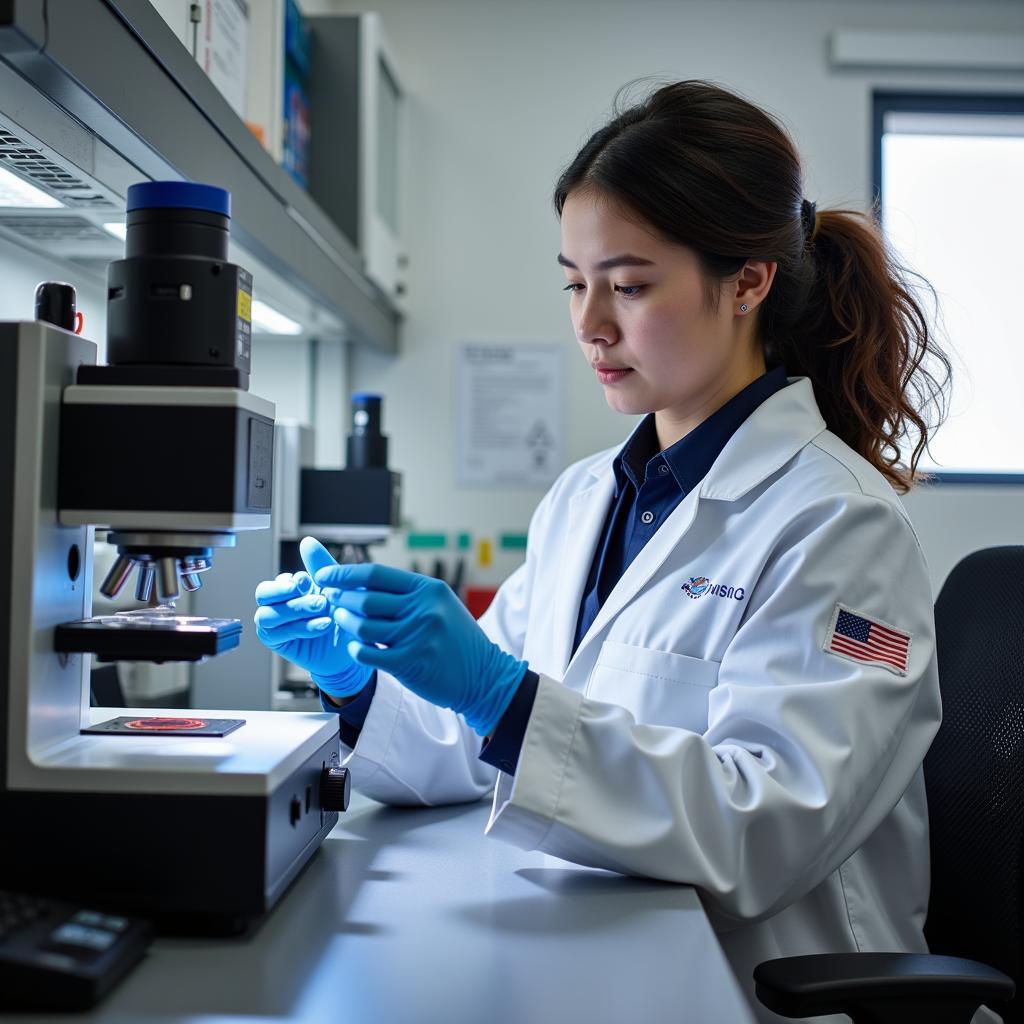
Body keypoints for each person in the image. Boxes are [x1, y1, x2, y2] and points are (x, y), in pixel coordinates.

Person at [254, 81, 953, 1022]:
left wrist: (501, 696)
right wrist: (360, 683)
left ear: (748, 281)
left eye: (628, 286)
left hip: (764, 991)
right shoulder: (586, 499)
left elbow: (769, 827)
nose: (589, 324)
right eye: (575, 283)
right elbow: (477, 747)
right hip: (606, 950)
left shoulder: (840, 525)